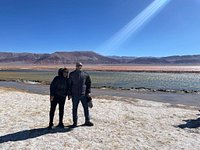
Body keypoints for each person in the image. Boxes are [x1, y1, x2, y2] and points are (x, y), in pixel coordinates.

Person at [68, 62, 93, 127]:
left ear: (82, 66)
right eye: (78, 65)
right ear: (76, 66)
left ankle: (87, 121)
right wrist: (69, 93)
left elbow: (88, 83)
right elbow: (69, 84)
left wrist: (88, 92)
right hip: (75, 95)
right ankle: (75, 123)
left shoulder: (85, 74)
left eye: (80, 65)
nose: (79, 66)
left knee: (86, 108)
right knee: (74, 109)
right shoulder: (72, 74)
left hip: (83, 94)